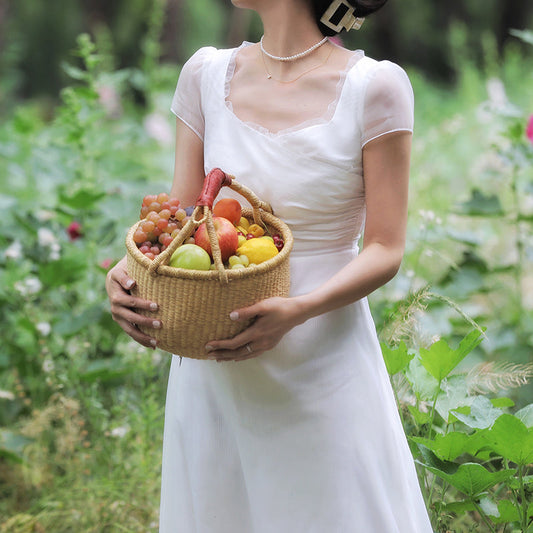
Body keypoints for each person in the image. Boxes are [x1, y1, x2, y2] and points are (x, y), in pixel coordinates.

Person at [106, 0, 434, 531]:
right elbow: (186, 217)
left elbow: (385, 247)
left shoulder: (376, 88)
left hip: (321, 360)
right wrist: (129, 271)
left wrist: (299, 309)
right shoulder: (205, 75)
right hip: (215, 360)